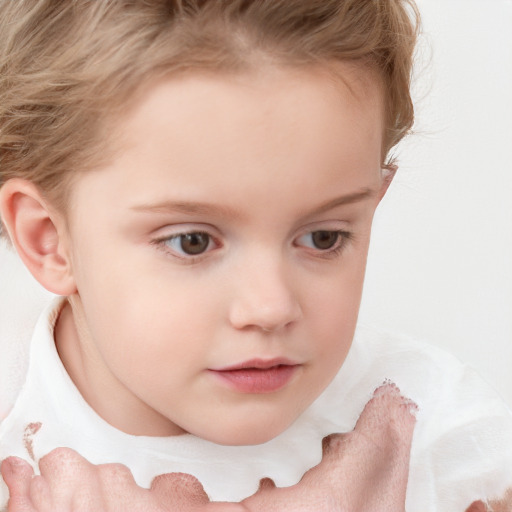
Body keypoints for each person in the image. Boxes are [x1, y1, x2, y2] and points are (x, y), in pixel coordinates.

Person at [0, 1, 510, 511]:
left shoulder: (445, 447)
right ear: (49, 239)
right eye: (192, 242)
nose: (270, 307)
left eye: (324, 237)